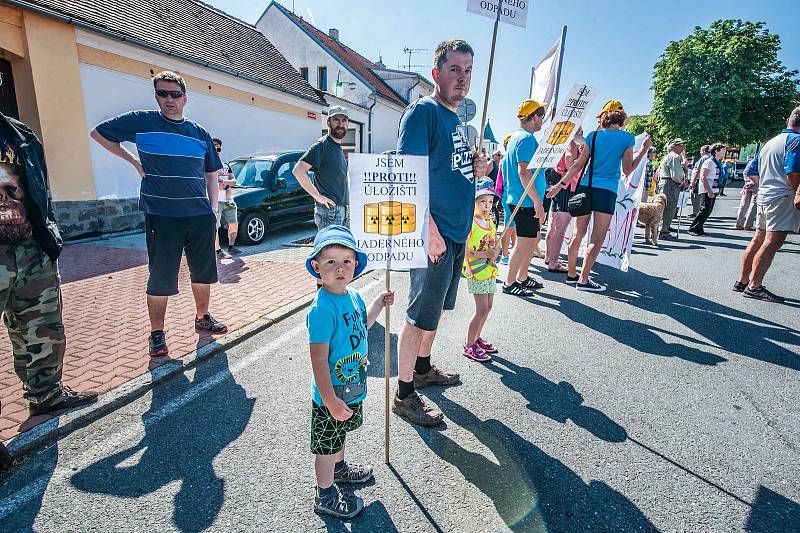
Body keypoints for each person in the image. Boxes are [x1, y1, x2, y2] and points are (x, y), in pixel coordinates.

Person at [91, 71, 228, 358]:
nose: (169, 99)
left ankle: (202, 318)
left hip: (200, 216)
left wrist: (213, 212)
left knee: (203, 272)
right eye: (163, 93)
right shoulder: (143, 122)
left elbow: (211, 174)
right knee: (161, 276)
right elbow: (99, 133)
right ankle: (157, 334)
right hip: (162, 216)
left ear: (185, 98)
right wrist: (134, 162)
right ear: (156, 96)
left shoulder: (199, 133)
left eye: (175, 94)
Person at [393, 39, 487, 427]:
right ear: (437, 73)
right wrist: (428, 229)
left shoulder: (459, 123)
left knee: (435, 312)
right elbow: (406, 175)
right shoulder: (423, 113)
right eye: (455, 70)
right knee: (418, 316)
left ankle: (423, 368)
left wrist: (478, 170)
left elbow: (455, 174)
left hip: (456, 234)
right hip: (433, 235)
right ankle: (403, 394)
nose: (462, 78)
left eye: (467, 71)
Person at [0, 112, 98, 446]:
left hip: (30, 245)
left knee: (43, 327)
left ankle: (46, 394)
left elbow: (41, 188)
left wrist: (48, 237)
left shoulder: (20, 133)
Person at [305, 225, 394, 518]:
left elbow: (361, 327)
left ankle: (340, 471)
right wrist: (329, 400)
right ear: (317, 267)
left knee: (340, 434)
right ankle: (325, 494)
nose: (340, 268)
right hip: (330, 394)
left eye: (346, 261)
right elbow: (319, 361)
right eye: (331, 262)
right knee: (326, 445)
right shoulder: (321, 309)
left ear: (356, 264)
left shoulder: (354, 297)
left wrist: (379, 304)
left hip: (352, 386)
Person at [547, 100, 651, 292]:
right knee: (597, 238)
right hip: (606, 191)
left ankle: (571, 275)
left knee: (578, 234)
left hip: (586, 187)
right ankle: (584, 280)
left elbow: (578, 165)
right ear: (622, 117)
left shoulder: (593, 136)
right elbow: (627, 170)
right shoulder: (627, 138)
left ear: (603, 117)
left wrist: (560, 185)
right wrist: (644, 150)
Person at [734, 107, 800, 302]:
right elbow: (793, 171)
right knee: (773, 242)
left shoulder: (770, 143)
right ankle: (754, 286)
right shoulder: (796, 141)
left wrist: (765, 184)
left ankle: (743, 281)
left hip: (764, 194)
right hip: (782, 196)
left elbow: (752, 171)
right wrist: (797, 189)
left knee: (758, 239)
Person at [501, 99, 548, 297]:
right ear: (535, 116)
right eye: (541, 117)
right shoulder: (527, 139)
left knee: (530, 241)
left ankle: (522, 277)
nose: (542, 121)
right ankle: (510, 282)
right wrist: (537, 201)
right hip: (526, 201)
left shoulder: (516, 137)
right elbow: (524, 172)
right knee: (523, 244)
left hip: (521, 199)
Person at [462, 180, 501, 363]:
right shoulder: (471, 223)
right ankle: (469, 345)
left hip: (488, 269)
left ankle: (477, 337)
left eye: (490, 202)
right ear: (474, 202)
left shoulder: (489, 221)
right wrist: (487, 252)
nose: (487, 205)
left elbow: (492, 242)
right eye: (482, 201)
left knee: (489, 307)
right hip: (476, 270)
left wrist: (495, 249)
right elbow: (466, 252)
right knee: (481, 309)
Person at [293, 106, 350, 229]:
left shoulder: (337, 148)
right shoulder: (322, 145)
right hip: (330, 211)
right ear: (328, 122)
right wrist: (318, 196)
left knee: (340, 248)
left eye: (344, 120)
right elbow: (298, 171)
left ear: (348, 124)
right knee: (329, 248)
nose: (341, 124)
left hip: (341, 210)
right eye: (336, 120)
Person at [544, 129, 585, 273]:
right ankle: (553, 262)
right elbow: (570, 163)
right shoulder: (571, 143)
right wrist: (584, 156)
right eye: (579, 130)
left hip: (558, 182)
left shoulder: (562, 142)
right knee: (561, 226)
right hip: (565, 185)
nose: (581, 132)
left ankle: (550, 257)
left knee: (554, 224)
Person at [211, 138, 241, 258]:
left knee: (233, 223)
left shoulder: (225, 165)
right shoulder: (208, 164)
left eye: (218, 146)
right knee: (215, 226)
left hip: (228, 200)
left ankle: (231, 246)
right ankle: (218, 251)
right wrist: (222, 182)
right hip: (215, 200)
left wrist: (224, 182)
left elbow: (234, 181)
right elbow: (208, 180)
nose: (216, 149)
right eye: (214, 146)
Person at [688, 143, 724, 236]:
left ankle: (699, 228)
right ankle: (693, 228)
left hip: (714, 189)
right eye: (722, 150)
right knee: (704, 209)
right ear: (716, 151)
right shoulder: (709, 162)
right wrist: (709, 191)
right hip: (707, 189)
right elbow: (703, 177)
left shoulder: (717, 162)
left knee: (708, 210)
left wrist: (718, 188)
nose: (724, 152)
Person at [657, 138, 688, 240]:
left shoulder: (669, 156)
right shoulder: (675, 157)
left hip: (666, 182)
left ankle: (664, 227)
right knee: (670, 206)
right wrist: (682, 181)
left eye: (683, 145)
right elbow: (676, 175)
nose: (682, 148)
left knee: (665, 206)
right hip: (670, 183)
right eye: (680, 145)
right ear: (673, 146)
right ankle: (663, 231)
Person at [497, 133, 516, 263]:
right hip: (510, 196)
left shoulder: (505, 160)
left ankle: (514, 251)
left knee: (513, 226)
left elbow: (499, 181)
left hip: (509, 196)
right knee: (509, 226)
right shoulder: (508, 160)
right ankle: (505, 255)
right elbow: (500, 182)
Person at [736, 154, 759, 231]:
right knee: (753, 206)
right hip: (756, 185)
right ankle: (747, 225)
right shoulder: (762, 162)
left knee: (744, 205)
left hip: (748, 185)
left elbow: (745, 172)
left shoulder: (752, 161)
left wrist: (748, 181)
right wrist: (752, 182)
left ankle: (740, 224)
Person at [690, 145, 711, 217]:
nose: (700, 152)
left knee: (696, 196)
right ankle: (701, 211)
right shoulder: (712, 158)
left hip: (700, 180)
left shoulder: (704, 158)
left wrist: (692, 182)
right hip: (708, 180)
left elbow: (697, 171)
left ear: (704, 151)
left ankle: (696, 212)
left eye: (701, 151)